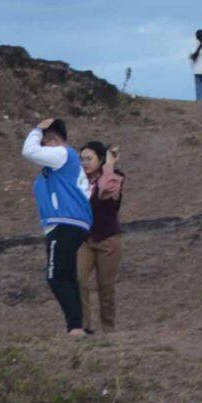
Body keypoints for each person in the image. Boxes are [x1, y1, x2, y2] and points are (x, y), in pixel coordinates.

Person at [20, 118, 94, 336]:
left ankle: (75, 328)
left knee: (56, 277)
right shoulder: (62, 168)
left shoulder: (63, 154)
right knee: (68, 276)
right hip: (70, 223)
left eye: (44, 143)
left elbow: (28, 151)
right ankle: (77, 326)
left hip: (65, 223)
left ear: (51, 140)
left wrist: (36, 130)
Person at [76, 141, 126, 333]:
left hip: (108, 239)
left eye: (89, 159)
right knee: (78, 279)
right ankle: (84, 326)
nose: (84, 163)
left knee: (105, 286)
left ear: (100, 160)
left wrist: (109, 166)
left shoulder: (115, 177)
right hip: (85, 239)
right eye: (82, 159)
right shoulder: (79, 181)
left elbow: (103, 192)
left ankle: (108, 329)